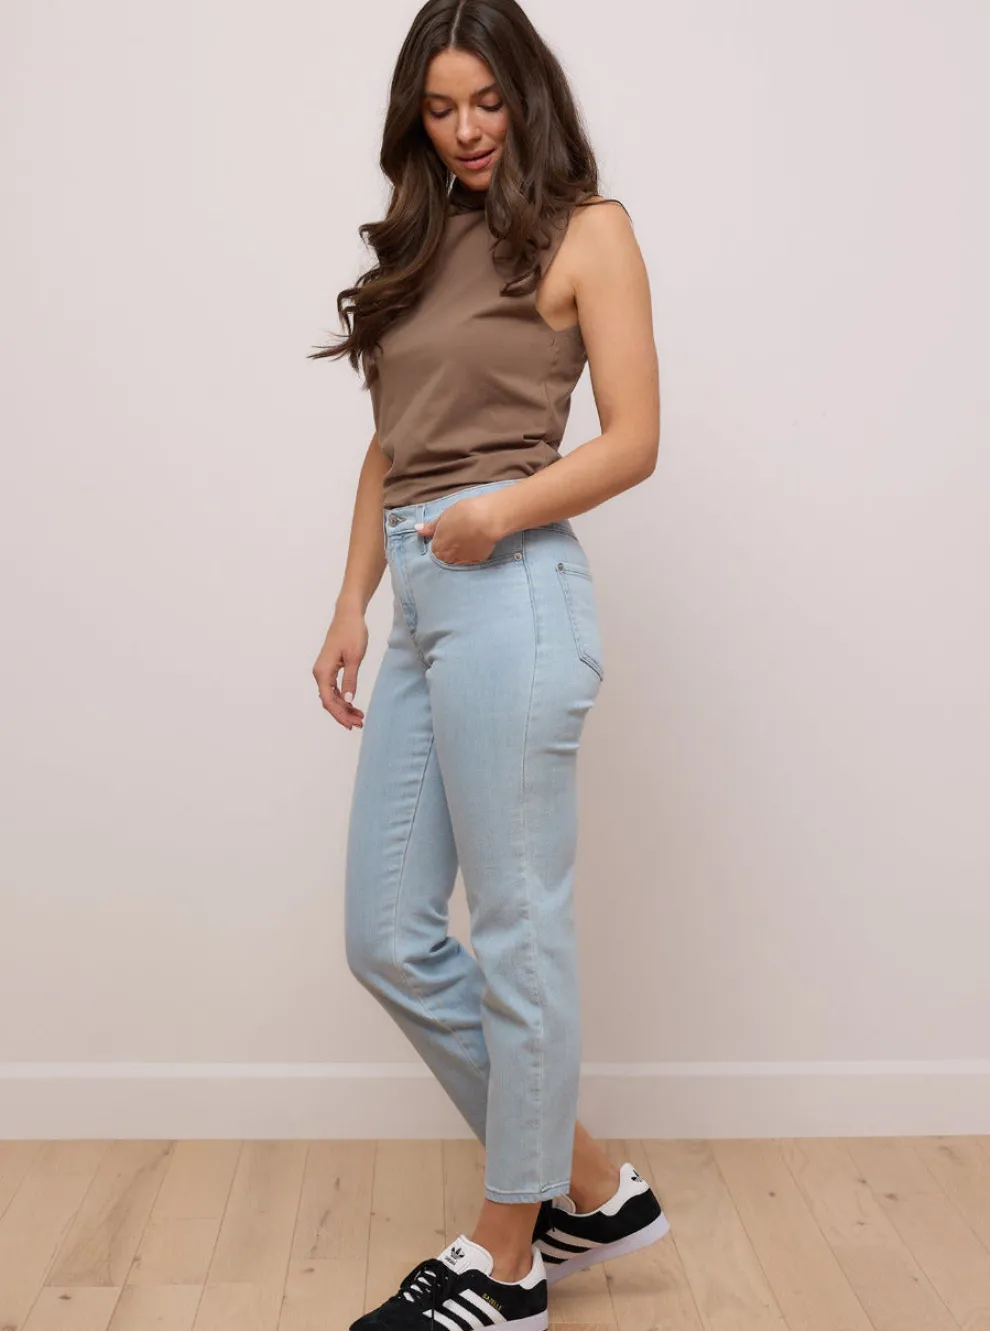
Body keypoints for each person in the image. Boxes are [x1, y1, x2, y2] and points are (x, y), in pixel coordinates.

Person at [310, 2, 665, 1326]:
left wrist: (499, 513)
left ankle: (508, 1257)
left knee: (516, 935)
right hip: (419, 600)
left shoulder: (589, 231)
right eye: (440, 107)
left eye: (486, 102)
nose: (464, 130)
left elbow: (632, 439)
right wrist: (352, 601)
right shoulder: (423, 243)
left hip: (513, 589)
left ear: (527, 96)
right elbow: (390, 441)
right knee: (386, 934)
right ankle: (590, 1182)